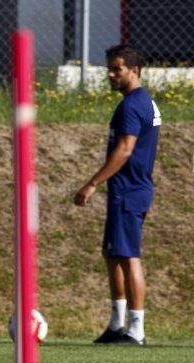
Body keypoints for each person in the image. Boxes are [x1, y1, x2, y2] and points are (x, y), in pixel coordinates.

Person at [74, 45, 161, 346]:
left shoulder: (132, 105)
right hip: (130, 189)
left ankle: (136, 329)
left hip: (129, 190)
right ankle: (116, 325)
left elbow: (125, 150)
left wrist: (93, 183)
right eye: (109, 69)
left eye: (117, 69)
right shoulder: (140, 100)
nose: (110, 74)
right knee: (113, 255)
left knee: (128, 256)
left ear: (134, 70)